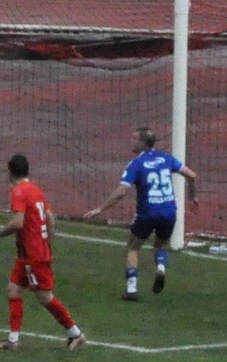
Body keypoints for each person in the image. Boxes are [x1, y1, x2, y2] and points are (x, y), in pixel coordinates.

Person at [82, 127, 200, 301]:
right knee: (160, 245)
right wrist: (193, 197)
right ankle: (160, 269)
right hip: (169, 211)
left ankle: (131, 289)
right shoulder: (166, 158)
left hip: (147, 212)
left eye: (134, 139)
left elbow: (122, 191)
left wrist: (101, 208)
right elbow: (192, 175)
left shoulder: (136, 164)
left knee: (133, 247)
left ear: (142, 143)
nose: (131, 141)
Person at [0, 154, 87, 350]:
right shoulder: (35, 189)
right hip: (29, 253)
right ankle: (13, 340)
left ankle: (76, 334)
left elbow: (18, 222)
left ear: (9, 172)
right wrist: (46, 240)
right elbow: (50, 218)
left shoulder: (19, 192)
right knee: (13, 289)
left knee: (45, 297)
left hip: (33, 254)